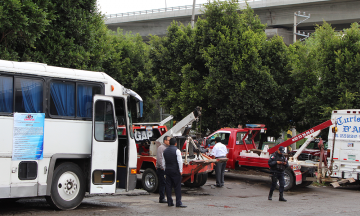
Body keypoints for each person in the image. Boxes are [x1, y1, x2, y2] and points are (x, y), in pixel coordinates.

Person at [162, 138, 186, 208]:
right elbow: (180, 161)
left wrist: (164, 169)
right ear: (175, 143)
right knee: (177, 187)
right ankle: (178, 202)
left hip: (168, 170)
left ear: (169, 143)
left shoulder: (165, 151)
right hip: (175, 171)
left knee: (168, 186)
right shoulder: (177, 151)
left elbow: (163, 162)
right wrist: (181, 170)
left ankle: (170, 202)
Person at [156, 135, 170, 203]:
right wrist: (162, 167)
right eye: (168, 140)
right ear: (165, 141)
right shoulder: (161, 148)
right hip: (162, 169)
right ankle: (161, 198)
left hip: (167, 168)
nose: (169, 141)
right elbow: (159, 159)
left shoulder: (168, 147)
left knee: (166, 183)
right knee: (163, 183)